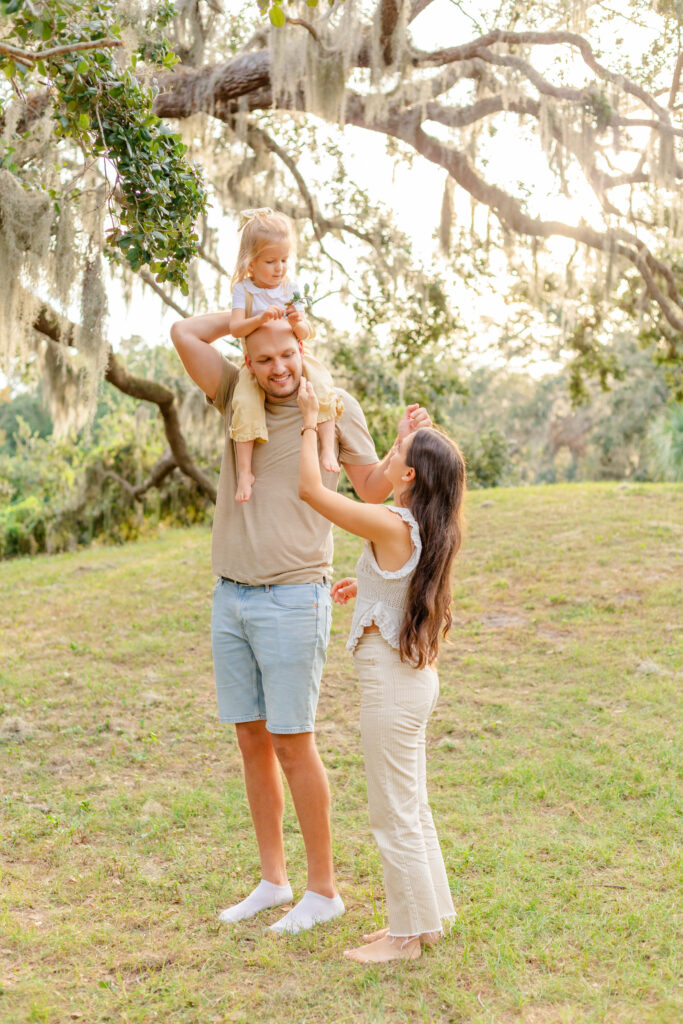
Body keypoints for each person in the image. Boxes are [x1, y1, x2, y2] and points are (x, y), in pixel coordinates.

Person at [170, 311, 431, 935]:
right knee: (251, 740)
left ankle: (323, 890)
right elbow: (184, 335)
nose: (278, 368)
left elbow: (370, 488)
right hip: (230, 596)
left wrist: (399, 448)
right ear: (248, 361)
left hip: (293, 598)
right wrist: (247, 316)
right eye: (263, 358)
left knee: (293, 742)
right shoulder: (236, 395)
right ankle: (272, 881)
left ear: (302, 345)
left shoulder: (335, 406)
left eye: (286, 354)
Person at [297, 376, 465, 962]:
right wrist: (363, 587)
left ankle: (404, 939)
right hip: (410, 683)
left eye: (396, 457)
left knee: (391, 811)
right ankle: (427, 919)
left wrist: (313, 426)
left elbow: (314, 493)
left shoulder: (395, 525)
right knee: (409, 804)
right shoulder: (418, 526)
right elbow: (396, 583)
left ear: (410, 478)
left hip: (394, 689)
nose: (388, 459)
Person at [228, 207, 342, 502]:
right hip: (257, 365)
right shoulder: (244, 290)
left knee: (323, 386)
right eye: (271, 261)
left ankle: (327, 446)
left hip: (296, 358)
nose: (279, 268)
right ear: (251, 264)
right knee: (243, 402)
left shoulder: (291, 288)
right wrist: (261, 318)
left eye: (284, 260)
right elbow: (236, 328)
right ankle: (245, 472)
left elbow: (304, 332)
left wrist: (297, 323)